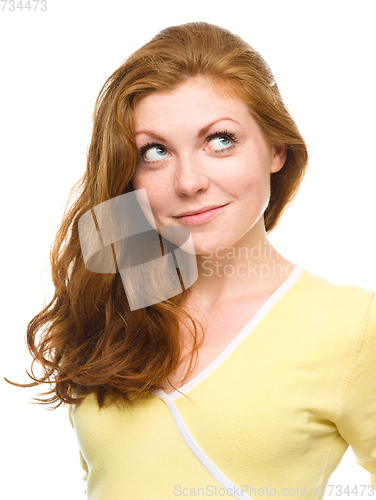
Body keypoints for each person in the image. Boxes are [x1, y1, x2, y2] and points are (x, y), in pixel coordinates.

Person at [11, 22, 376, 499]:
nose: (189, 182)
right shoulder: (117, 300)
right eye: (155, 151)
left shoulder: (352, 325)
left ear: (276, 149)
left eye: (220, 140)